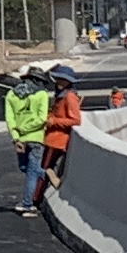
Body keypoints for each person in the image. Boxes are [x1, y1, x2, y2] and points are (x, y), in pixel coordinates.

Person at [4, 71, 52, 211]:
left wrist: (17, 135)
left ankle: (27, 204)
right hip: (34, 138)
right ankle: (46, 174)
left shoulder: (12, 94)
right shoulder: (42, 94)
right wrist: (23, 131)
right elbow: (42, 119)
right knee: (27, 169)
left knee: (29, 171)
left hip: (23, 139)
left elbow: (10, 119)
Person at [40, 65, 81, 203]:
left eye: (62, 80)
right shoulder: (61, 95)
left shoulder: (69, 97)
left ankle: (35, 200)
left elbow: (75, 120)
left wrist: (53, 121)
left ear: (68, 82)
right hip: (52, 138)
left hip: (57, 140)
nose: (58, 82)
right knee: (45, 169)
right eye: (57, 78)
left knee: (43, 170)